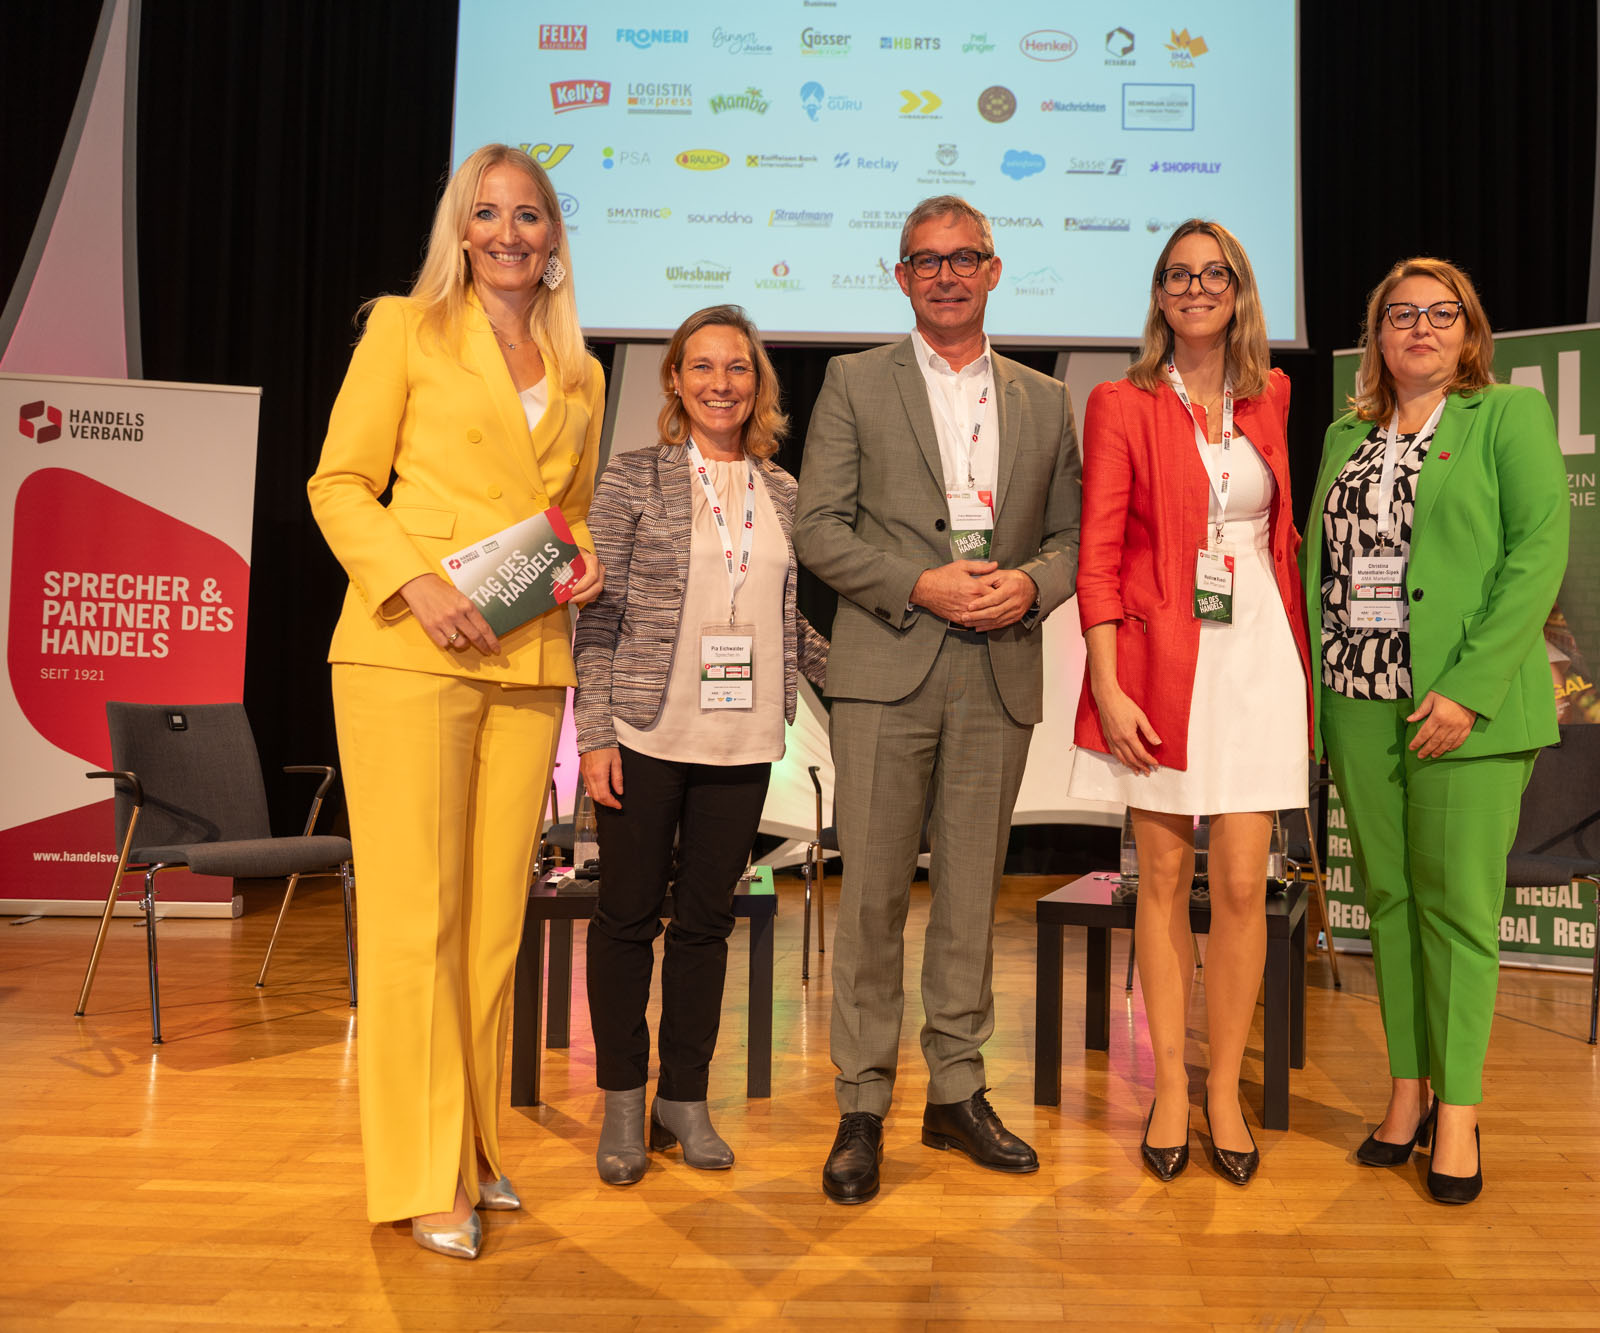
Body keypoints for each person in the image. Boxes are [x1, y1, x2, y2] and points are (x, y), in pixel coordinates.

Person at [308, 143, 604, 1258]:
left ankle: (472, 1147)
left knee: (489, 931)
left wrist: (583, 558)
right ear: (460, 230)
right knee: (414, 923)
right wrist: (415, 584)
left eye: (528, 215)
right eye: (487, 213)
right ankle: (420, 1175)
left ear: (553, 235)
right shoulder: (405, 328)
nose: (508, 233)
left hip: (526, 657)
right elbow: (339, 482)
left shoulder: (580, 369)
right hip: (409, 649)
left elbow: (565, 510)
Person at [793, 194, 1082, 1204]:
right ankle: (861, 1103)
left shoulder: (1046, 399)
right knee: (871, 896)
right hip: (888, 665)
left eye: (965, 259)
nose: (947, 275)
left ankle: (956, 1090)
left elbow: (1073, 537)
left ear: (994, 271)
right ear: (901, 276)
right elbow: (817, 529)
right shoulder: (852, 380)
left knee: (969, 897)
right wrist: (920, 583)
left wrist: (1032, 586)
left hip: (996, 666)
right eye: (927, 260)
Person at [1303, 258, 1568, 1204]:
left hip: (1460, 706)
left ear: (1469, 331)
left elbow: (1539, 554)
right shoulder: (1344, 433)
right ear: (1376, 336)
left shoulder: (1507, 416)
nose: (1420, 326)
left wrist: (1466, 689)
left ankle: (1459, 1109)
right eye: (1400, 313)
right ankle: (1407, 1090)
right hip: (1356, 696)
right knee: (1389, 901)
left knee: (1456, 909)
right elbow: (1323, 568)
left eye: (1440, 312)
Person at [1068, 220, 1309, 1185]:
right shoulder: (1119, 402)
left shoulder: (1272, 394)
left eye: (1215, 274)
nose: (1197, 288)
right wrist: (1107, 682)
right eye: (1179, 274)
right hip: (1161, 660)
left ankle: (1223, 1089)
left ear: (1239, 289)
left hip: (1258, 656)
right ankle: (1170, 1082)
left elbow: (1276, 534)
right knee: (1163, 880)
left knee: (1246, 886)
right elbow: (1097, 553)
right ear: (1159, 294)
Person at [573, 305, 828, 1185]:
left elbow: (783, 620)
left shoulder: (783, 490)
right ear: (676, 380)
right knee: (626, 918)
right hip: (645, 732)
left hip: (743, 738)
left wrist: (874, 668)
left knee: (707, 924)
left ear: (759, 384)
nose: (722, 383)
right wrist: (594, 734)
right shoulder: (634, 477)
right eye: (703, 367)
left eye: (739, 368)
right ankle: (622, 1099)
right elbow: (595, 614)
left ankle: (683, 1097)